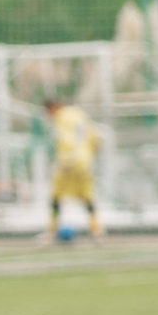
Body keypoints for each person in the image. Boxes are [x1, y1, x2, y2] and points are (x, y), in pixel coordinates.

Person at [44, 95, 104, 241]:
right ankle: (96, 230)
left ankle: (52, 230)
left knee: (56, 195)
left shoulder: (61, 117)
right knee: (87, 196)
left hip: (69, 162)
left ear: (53, 108)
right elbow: (95, 137)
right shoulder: (80, 114)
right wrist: (90, 155)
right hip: (85, 162)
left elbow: (67, 140)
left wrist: (66, 162)